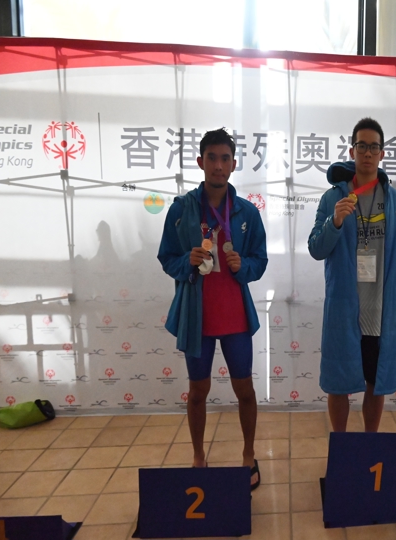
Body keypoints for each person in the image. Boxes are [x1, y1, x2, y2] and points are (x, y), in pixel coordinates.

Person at [158, 128, 267, 489]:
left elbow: (260, 260)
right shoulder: (182, 209)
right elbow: (167, 258)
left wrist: (243, 266)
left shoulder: (247, 212)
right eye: (212, 158)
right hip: (198, 317)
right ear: (200, 162)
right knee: (198, 392)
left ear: (234, 164)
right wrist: (186, 261)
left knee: (245, 391)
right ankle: (198, 456)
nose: (218, 165)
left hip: (235, 316)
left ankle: (248, 454)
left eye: (225, 159)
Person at [308, 117, 396, 432]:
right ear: (352, 150)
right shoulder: (333, 198)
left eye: (374, 147)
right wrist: (335, 222)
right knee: (338, 384)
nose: (368, 153)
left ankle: (369, 445)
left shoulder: (395, 201)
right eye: (362, 146)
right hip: (345, 310)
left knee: (375, 382)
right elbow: (316, 248)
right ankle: (341, 445)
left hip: (382, 309)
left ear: (382, 153)